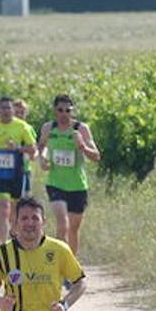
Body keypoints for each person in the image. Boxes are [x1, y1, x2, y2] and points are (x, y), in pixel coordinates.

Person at [37, 94, 100, 255]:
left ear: (72, 111)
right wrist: (43, 160)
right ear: (55, 111)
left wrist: (83, 147)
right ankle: (59, 264)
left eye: (68, 110)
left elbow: (96, 156)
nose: (64, 113)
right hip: (55, 183)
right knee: (62, 224)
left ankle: (71, 265)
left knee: (73, 229)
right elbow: (42, 146)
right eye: (60, 110)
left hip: (77, 185)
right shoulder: (48, 128)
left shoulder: (81, 129)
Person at [0, 97, 37, 245]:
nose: (5, 111)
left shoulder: (22, 126)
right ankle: (2, 245)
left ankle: (14, 238)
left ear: (13, 110)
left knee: (15, 210)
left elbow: (32, 149)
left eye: (8, 108)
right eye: (3, 108)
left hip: (17, 173)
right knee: (3, 208)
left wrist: (17, 148)